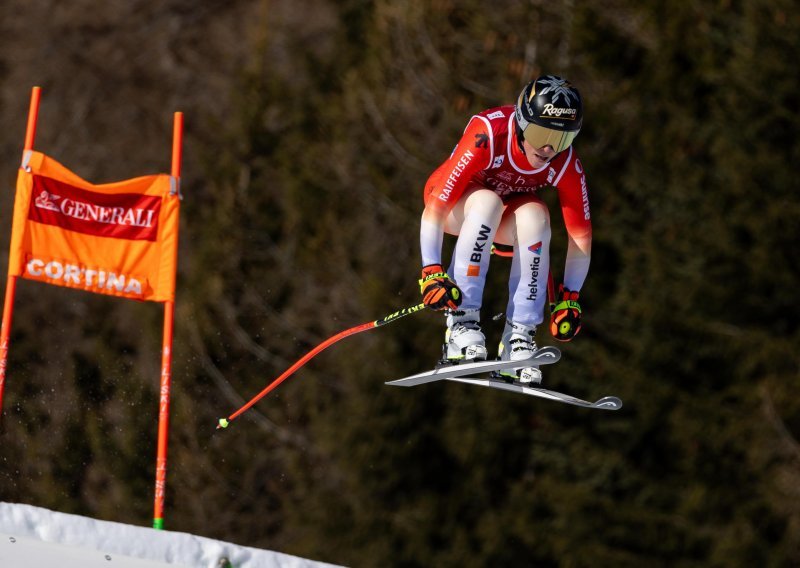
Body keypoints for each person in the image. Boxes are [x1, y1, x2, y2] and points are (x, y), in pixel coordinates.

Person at [418, 75, 591, 384]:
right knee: (486, 203)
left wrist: (570, 297)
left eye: (562, 138)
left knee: (537, 216)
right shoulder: (488, 132)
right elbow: (437, 206)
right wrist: (431, 270)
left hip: (503, 214)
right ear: (523, 123)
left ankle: (519, 339)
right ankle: (462, 324)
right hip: (454, 204)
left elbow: (580, 236)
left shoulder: (566, 164)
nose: (549, 147)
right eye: (540, 133)